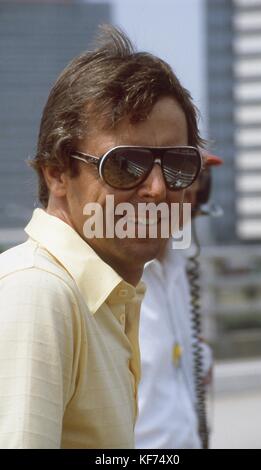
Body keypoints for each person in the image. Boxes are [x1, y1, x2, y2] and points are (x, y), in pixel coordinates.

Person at [0, 25, 209, 449]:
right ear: (57, 172)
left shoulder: (113, 297)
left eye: (178, 165)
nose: (156, 188)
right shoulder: (39, 293)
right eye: (125, 165)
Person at [135, 161, 222, 449]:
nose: (186, 193)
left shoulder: (176, 264)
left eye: (193, 179)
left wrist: (199, 354)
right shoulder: (120, 274)